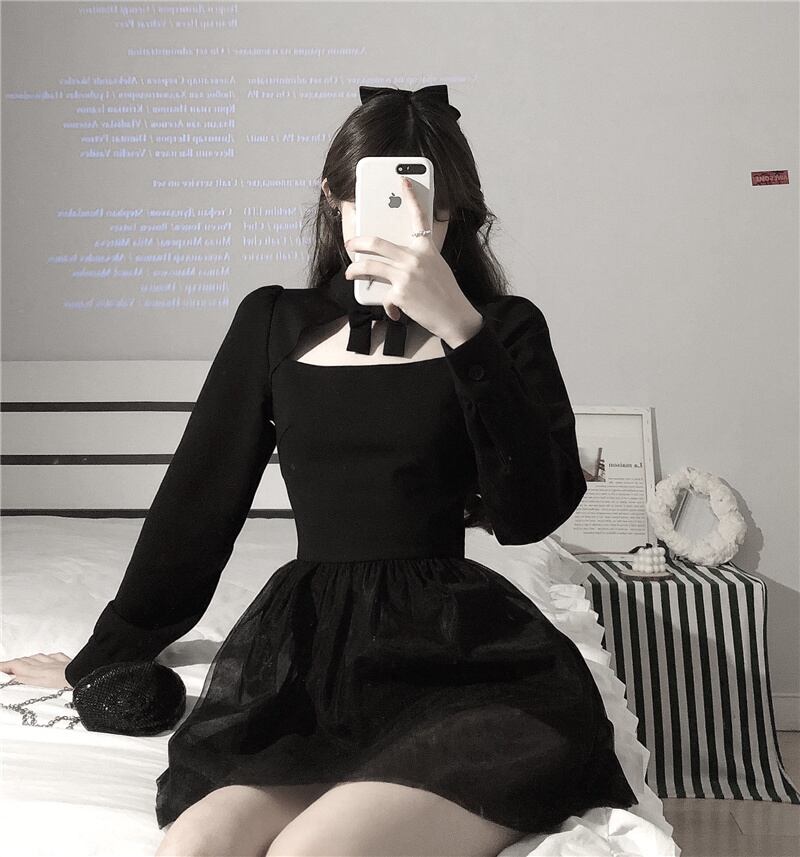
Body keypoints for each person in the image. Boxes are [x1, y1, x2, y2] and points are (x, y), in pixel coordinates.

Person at [0, 85, 638, 857]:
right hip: (311, 666)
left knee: (311, 852)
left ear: (455, 213)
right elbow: (196, 509)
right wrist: (103, 656)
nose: (404, 220)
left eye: (428, 202)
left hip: (462, 670)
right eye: (376, 194)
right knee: (193, 845)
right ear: (334, 196)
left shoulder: (501, 330)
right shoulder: (274, 322)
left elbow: (530, 513)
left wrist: (462, 330)